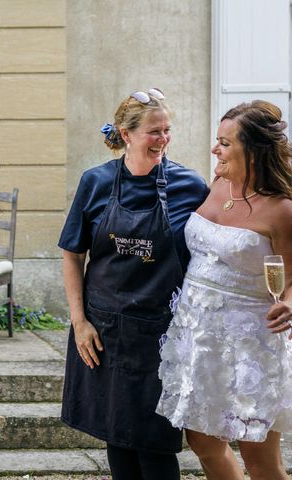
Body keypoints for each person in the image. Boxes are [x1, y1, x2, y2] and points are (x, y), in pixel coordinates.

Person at [58, 88, 209, 480]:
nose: (163, 140)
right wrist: (79, 322)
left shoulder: (190, 187)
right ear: (126, 134)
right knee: (118, 442)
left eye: (167, 130)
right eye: (153, 132)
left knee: (156, 447)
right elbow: (73, 254)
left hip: (161, 337)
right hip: (103, 332)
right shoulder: (95, 183)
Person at [156, 100, 292, 480]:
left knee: (259, 457)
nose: (215, 149)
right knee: (204, 445)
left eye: (225, 142)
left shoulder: (281, 209)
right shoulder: (217, 185)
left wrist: (289, 303)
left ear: (254, 150)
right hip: (197, 337)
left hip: (251, 344)